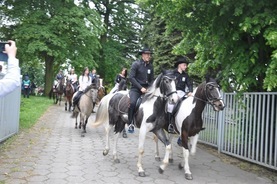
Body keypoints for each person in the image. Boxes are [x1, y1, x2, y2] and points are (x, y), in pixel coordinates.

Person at [127, 48, 154, 133]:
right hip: (136, 89)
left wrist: (150, 88)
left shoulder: (150, 66)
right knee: (132, 103)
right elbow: (131, 77)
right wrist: (140, 88)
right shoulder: (136, 64)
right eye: (147, 54)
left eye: (149, 54)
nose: (148, 56)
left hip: (147, 90)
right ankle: (130, 123)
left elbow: (151, 80)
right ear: (142, 55)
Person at [169, 56, 193, 136]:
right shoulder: (172, 73)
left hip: (182, 93)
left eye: (186, 65)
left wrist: (190, 91)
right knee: (171, 106)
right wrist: (174, 94)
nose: (186, 67)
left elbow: (189, 84)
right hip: (173, 93)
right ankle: (170, 124)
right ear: (179, 65)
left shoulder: (185, 75)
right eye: (184, 65)